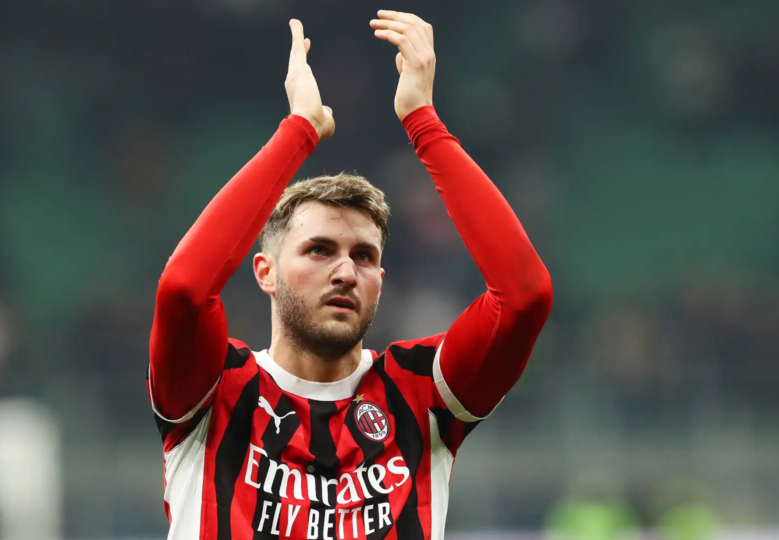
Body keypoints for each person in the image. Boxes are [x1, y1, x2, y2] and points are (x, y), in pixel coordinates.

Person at [148, 11, 553, 539]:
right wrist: (299, 130)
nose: (345, 271)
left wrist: (423, 121)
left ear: (381, 276)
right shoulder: (213, 389)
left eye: (363, 256)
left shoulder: (420, 394)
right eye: (319, 250)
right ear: (265, 272)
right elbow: (184, 290)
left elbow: (524, 296)